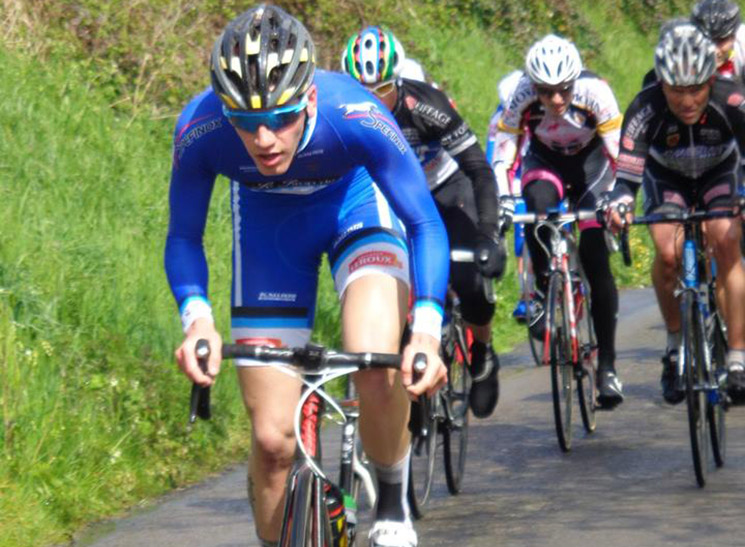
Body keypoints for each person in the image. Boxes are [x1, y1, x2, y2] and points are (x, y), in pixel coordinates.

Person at [165, 6, 450, 547]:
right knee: (272, 442)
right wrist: (196, 319)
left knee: (372, 358)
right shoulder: (201, 129)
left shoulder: (357, 113)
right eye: (246, 123)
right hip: (272, 233)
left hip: (356, 209)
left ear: (311, 99)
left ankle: (391, 497)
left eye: (283, 117)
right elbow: (183, 238)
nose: (265, 138)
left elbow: (423, 221)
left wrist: (428, 332)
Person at [341, 25, 506, 419]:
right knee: (391, 287)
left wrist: (488, 234)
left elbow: (479, 170)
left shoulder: (425, 105)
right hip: (392, 196)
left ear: (399, 81)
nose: (373, 100)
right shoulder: (346, 111)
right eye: (363, 91)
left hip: (446, 189)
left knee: (469, 280)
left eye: (382, 90)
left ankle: (481, 352)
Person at [607, 22, 745, 404]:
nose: (687, 101)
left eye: (697, 89)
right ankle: (673, 345)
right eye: (676, 91)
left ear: (711, 80)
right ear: (660, 83)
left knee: (726, 239)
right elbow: (627, 175)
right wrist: (619, 204)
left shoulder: (732, 100)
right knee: (667, 252)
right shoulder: (644, 108)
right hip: (666, 178)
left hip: (719, 173)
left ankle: (737, 358)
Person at [491, 34, 625, 408]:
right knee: (535, 207)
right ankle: (545, 286)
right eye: (546, 92)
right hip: (545, 163)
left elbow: (620, 154)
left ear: (574, 81)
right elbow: (504, 154)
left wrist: (618, 200)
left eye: (563, 90)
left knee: (597, 260)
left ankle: (608, 368)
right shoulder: (521, 96)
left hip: (591, 169)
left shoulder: (595, 92)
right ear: (534, 86)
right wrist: (503, 199)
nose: (556, 100)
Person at [486, 69, 533, 323]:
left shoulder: (538, 108)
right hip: (515, 176)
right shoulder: (499, 119)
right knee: (522, 235)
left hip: (544, 169)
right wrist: (500, 197)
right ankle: (527, 294)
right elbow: (493, 159)